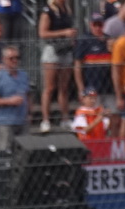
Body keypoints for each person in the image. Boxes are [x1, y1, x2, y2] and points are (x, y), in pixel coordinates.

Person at [39, 0, 77, 131]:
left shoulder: (67, 9)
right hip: (52, 48)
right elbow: (42, 33)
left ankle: (65, 118)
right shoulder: (48, 11)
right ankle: (45, 120)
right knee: (49, 87)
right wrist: (64, 32)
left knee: (64, 87)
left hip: (65, 48)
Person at [0, 46, 29, 153]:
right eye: (11, 58)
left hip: (22, 120)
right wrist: (9, 101)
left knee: (24, 151)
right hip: (6, 121)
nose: (15, 60)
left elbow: (27, 94)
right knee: (5, 152)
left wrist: (29, 112)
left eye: (17, 57)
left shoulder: (23, 75)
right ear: (4, 59)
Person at [75, 13, 113, 121]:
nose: (97, 28)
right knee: (93, 117)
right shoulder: (84, 40)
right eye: (95, 25)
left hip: (109, 86)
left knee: (113, 116)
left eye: (100, 25)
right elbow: (77, 66)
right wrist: (80, 89)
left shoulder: (108, 40)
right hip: (92, 87)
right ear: (90, 25)